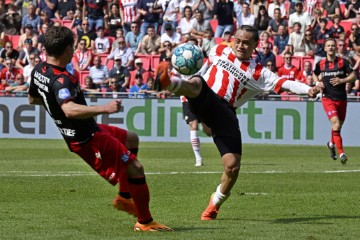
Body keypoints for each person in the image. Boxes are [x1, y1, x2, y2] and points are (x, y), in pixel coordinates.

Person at [154, 25, 320, 220]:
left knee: (232, 166)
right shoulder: (219, 49)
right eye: (238, 41)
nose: (240, 46)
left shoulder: (259, 73)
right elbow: (203, 66)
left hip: (225, 113)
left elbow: (284, 83)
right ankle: (168, 82)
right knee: (198, 84)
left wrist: (308, 89)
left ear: (255, 45)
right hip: (205, 95)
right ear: (233, 39)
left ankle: (215, 202)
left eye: (246, 43)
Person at [28, 26, 172, 232]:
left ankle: (124, 197)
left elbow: (33, 98)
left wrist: (54, 105)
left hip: (87, 128)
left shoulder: (38, 70)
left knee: (131, 139)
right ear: (68, 49)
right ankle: (145, 222)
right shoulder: (62, 80)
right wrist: (104, 108)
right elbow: (68, 109)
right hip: (86, 137)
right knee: (136, 168)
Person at [313, 38, 356, 164]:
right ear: (325, 48)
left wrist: (342, 81)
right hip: (327, 98)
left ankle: (331, 143)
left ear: (335, 48)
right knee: (336, 124)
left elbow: (353, 76)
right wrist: (317, 82)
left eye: (333, 45)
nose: (331, 47)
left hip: (342, 98)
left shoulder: (343, 62)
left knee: (338, 126)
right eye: (328, 46)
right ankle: (342, 153)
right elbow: (315, 74)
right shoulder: (320, 64)